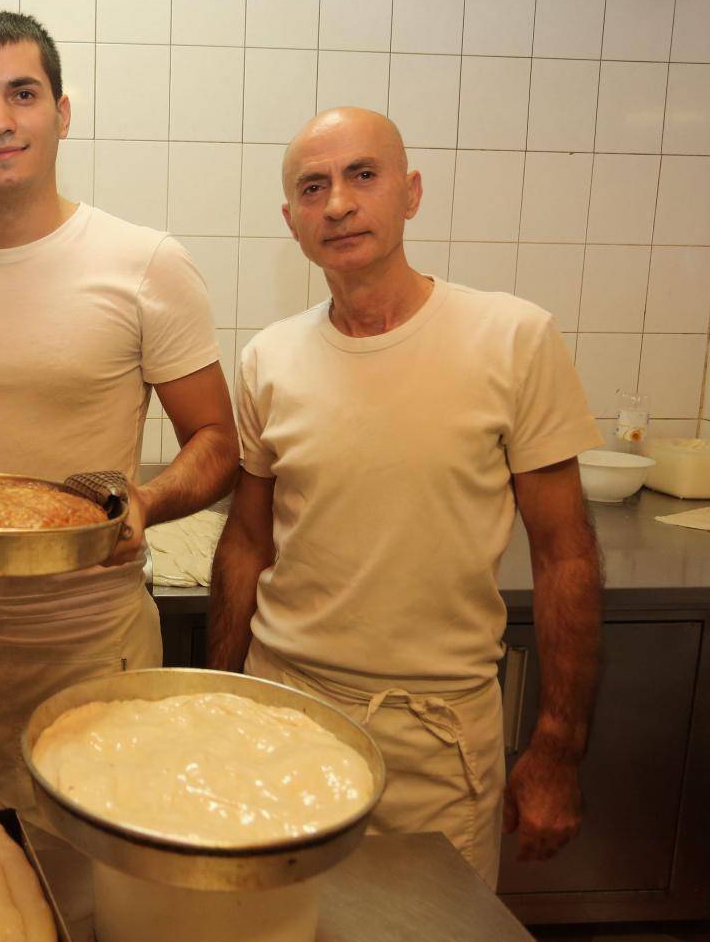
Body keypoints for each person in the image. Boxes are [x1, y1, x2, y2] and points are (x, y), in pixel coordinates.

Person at [208, 107, 604, 888]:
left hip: (436, 736)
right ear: (291, 220)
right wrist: (227, 703)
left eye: (363, 176)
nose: (340, 204)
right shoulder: (269, 359)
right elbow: (248, 544)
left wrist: (556, 746)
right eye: (313, 187)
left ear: (410, 192)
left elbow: (566, 553)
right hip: (284, 711)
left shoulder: (512, 338)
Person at [0, 11, 240, 813]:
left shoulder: (144, 263)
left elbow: (216, 441)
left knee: (100, 890)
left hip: (95, 638)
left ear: (62, 113)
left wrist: (144, 501)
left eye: (22, 94)